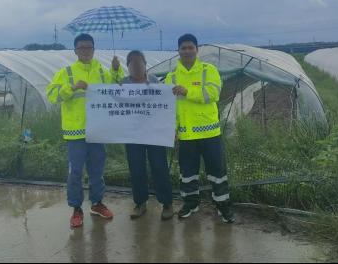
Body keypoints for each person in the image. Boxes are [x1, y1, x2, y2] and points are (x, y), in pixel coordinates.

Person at [46, 33, 125, 229]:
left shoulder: (100, 70)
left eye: (89, 47)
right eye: (81, 47)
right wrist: (71, 87)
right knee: (75, 172)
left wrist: (116, 70)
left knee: (97, 170)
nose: (85, 51)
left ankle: (97, 204)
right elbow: (52, 95)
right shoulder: (66, 72)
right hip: (76, 132)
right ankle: (76, 209)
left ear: (93, 49)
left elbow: (115, 86)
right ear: (75, 50)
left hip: (97, 129)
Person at [165, 34, 235, 223]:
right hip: (186, 136)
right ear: (178, 51)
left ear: (197, 50)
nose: (187, 51)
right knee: (187, 174)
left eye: (190, 47)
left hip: (210, 133)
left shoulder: (208, 70)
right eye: (183, 48)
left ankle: (223, 206)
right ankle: (191, 203)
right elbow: (168, 107)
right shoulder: (171, 76)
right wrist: (171, 129)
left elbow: (213, 94)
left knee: (218, 173)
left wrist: (188, 92)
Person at [122, 50, 174, 221]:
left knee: (159, 167)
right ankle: (140, 203)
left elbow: (165, 106)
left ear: (145, 64)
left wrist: (170, 128)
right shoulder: (122, 84)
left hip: (154, 133)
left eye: (139, 62)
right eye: (132, 63)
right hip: (132, 134)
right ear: (128, 66)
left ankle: (166, 203)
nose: (136, 66)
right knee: (136, 168)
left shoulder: (155, 81)